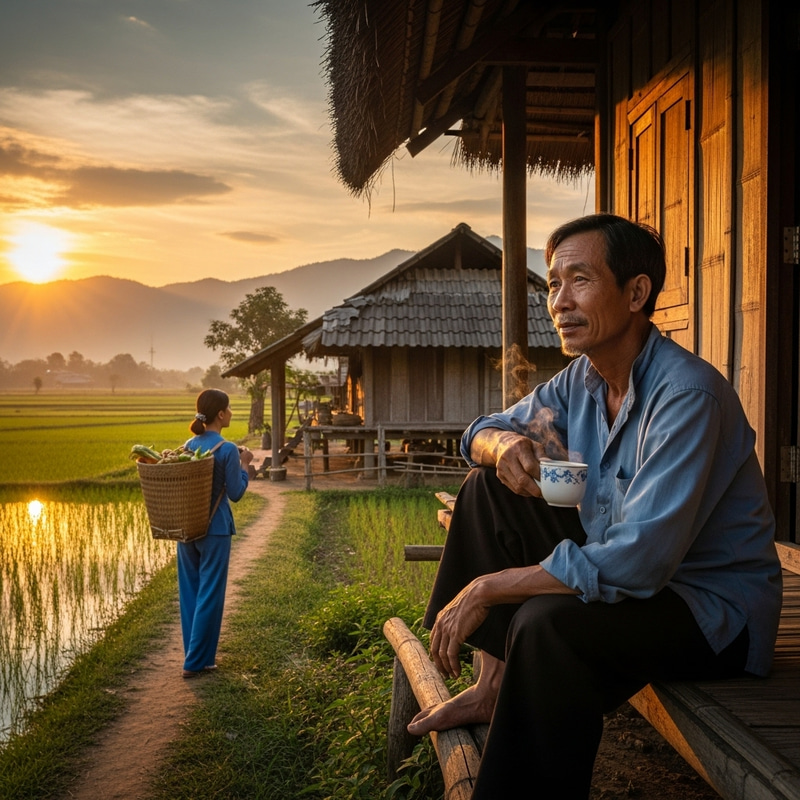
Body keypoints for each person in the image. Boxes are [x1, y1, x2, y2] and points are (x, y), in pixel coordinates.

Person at [407, 213, 783, 798]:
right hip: (642, 582)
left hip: (707, 612)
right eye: (554, 283)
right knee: (487, 489)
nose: (559, 301)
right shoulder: (578, 381)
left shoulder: (686, 395)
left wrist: (489, 586)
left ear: (636, 293)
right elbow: (480, 431)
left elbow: (638, 563)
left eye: (579, 280)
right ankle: (492, 686)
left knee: (546, 625)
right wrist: (504, 443)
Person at [179, 388, 254, 679]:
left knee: (191, 593)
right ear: (220, 414)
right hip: (216, 530)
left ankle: (199, 657)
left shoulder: (187, 445)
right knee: (210, 594)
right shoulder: (225, 450)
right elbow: (235, 493)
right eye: (230, 408)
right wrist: (245, 464)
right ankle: (195, 663)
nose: (232, 412)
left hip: (187, 527)